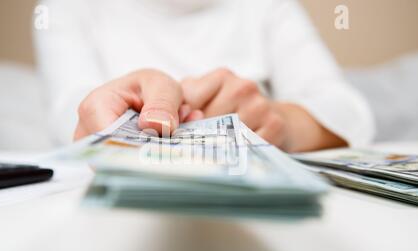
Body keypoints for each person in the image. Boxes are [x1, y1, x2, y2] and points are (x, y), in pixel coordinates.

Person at [35, 0, 375, 152]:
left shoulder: (268, 5)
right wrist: (121, 118)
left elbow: (351, 111)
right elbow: (69, 111)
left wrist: (277, 122)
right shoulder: (64, 7)